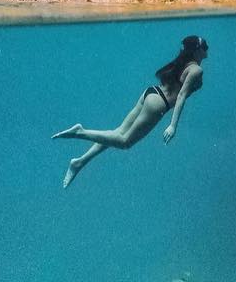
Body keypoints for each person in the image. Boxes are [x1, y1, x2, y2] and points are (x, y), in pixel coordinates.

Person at [53, 34, 208, 188]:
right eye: (204, 46)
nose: (207, 49)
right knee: (124, 142)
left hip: (151, 92)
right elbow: (181, 96)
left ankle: (79, 162)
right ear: (197, 50)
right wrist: (173, 126)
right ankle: (80, 132)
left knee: (117, 132)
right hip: (159, 104)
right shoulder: (196, 70)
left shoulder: (184, 63)